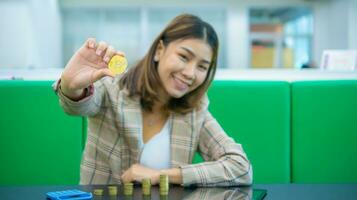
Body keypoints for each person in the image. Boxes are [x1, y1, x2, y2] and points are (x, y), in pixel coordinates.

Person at [54, 14, 252, 187]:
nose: (190, 73)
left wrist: (161, 176)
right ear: (159, 50)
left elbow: (240, 167)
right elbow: (78, 105)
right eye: (184, 57)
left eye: (202, 67)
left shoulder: (195, 111)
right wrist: (71, 87)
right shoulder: (113, 87)